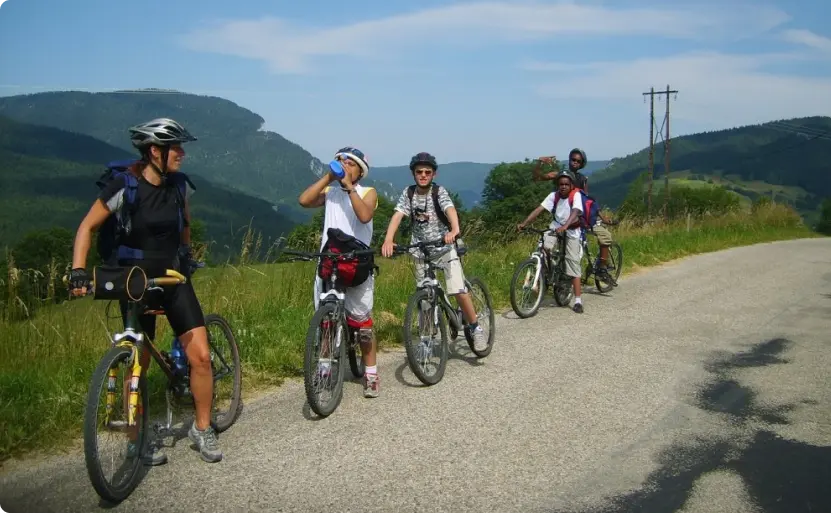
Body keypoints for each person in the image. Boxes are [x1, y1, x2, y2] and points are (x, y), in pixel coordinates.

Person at [67, 118, 222, 464]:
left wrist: (186, 255)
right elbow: (86, 227)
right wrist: (78, 271)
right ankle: (135, 441)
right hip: (134, 283)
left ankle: (202, 427)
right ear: (155, 151)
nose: (182, 153)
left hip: (172, 279)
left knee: (200, 357)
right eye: (176, 147)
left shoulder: (179, 186)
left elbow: (185, 223)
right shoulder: (124, 186)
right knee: (138, 361)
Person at [380, 152, 488, 351]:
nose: (423, 175)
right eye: (419, 171)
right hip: (420, 251)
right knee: (425, 298)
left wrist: (454, 230)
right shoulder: (409, 193)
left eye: (427, 172)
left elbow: (450, 210)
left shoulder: (439, 192)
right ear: (413, 173)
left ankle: (475, 328)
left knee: (457, 289)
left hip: (444, 247)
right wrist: (388, 239)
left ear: (433, 174)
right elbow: (398, 215)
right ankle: (426, 340)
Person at [298, 147, 381, 398]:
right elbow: (304, 201)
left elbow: (364, 215)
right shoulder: (330, 193)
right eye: (340, 161)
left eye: (350, 163)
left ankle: (371, 373)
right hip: (330, 262)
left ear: (360, 172)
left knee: (363, 325)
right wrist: (329, 177)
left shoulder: (367, 192)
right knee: (326, 321)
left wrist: (349, 187)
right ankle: (324, 369)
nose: (344, 165)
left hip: (357, 264)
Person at [534, 148, 616, 276]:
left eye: (578, 161)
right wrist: (540, 162)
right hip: (562, 220)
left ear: (582, 164)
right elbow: (538, 177)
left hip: (580, 219)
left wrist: (602, 218)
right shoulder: (560, 175)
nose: (575, 162)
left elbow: (588, 202)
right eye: (573, 159)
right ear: (569, 160)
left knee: (605, 236)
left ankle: (602, 266)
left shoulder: (582, 179)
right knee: (547, 247)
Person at [517, 169, 585, 313]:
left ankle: (578, 300)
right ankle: (545, 276)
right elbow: (539, 209)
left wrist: (566, 226)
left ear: (571, 185)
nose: (563, 186)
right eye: (561, 184)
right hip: (556, 226)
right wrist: (524, 223)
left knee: (572, 262)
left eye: (566, 184)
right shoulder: (553, 196)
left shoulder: (576, 195)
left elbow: (575, 212)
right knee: (543, 248)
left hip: (572, 230)